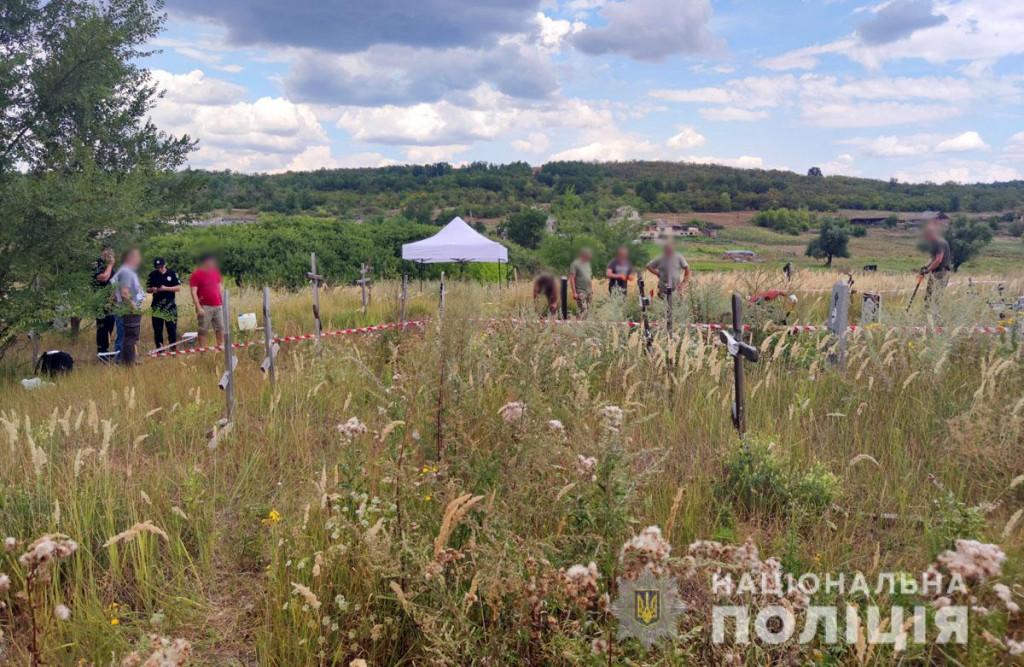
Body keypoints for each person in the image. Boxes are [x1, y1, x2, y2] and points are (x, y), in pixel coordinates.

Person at [112, 248, 145, 365]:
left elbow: (114, 293)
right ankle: (123, 361)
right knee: (127, 337)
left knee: (125, 336)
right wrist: (134, 309)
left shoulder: (123, 271)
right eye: (137, 257)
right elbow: (124, 294)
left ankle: (127, 359)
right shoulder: (126, 272)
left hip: (122, 308)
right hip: (126, 310)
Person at [190, 253, 224, 347]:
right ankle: (202, 351)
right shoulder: (196, 274)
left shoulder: (216, 272)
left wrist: (222, 303)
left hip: (217, 305)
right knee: (203, 330)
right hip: (205, 306)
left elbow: (220, 288)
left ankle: (220, 348)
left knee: (220, 328)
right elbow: (193, 292)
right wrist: (198, 307)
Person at [147, 257, 181, 349]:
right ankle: (160, 350)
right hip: (157, 306)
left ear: (165, 264)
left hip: (170, 306)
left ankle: (173, 349)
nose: (160, 269)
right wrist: (152, 289)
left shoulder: (172, 273)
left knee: (172, 329)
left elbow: (178, 288)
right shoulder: (152, 275)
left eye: (161, 266)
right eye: (157, 267)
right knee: (158, 330)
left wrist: (166, 288)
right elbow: (148, 289)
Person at [92, 247, 117, 356]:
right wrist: (110, 266)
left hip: (110, 301)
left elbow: (114, 282)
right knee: (102, 325)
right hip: (100, 300)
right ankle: (101, 351)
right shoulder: (97, 264)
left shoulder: (110, 268)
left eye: (111, 253)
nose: (110, 255)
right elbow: (103, 278)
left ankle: (106, 349)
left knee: (110, 322)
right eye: (107, 253)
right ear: (102, 253)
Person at [920, 220, 952, 302]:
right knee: (930, 297)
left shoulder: (938, 243)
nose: (926, 238)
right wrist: (926, 266)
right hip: (938, 272)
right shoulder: (937, 243)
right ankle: (927, 313)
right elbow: (933, 258)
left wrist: (928, 270)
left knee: (934, 297)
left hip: (941, 273)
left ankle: (931, 313)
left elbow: (938, 260)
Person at [568, 248, 593, 319]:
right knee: (583, 310)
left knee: (588, 311)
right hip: (580, 291)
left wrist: (591, 290)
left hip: (589, 292)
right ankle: (578, 327)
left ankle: (584, 328)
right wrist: (574, 293)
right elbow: (572, 278)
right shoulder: (575, 264)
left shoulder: (588, 264)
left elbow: (589, 277)